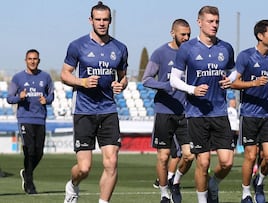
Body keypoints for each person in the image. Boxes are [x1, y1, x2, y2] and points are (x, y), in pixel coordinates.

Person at [60, 1, 128, 203]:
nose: (101, 23)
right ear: (91, 20)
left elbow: (123, 77)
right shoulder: (77, 45)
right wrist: (81, 81)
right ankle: (72, 186)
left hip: (108, 110)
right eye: (97, 19)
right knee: (84, 168)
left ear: (110, 21)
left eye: (105, 19)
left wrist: (121, 85)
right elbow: (65, 74)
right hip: (84, 110)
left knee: (112, 162)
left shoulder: (120, 48)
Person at [170, 6, 235, 203]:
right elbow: (174, 80)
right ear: (200, 22)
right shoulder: (187, 49)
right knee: (203, 162)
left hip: (219, 112)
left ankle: (213, 184)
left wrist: (229, 80)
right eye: (210, 21)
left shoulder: (226, 48)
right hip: (196, 113)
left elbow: (233, 71)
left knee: (227, 162)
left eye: (217, 21)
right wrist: (192, 89)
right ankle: (202, 200)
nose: (214, 25)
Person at [142, 18, 194, 203]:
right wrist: (166, 85)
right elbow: (146, 79)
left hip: (187, 112)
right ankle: (164, 193)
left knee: (189, 155)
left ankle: (176, 182)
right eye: (183, 34)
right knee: (164, 157)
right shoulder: (161, 53)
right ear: (173, 33)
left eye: (189, 34)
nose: (187, 38)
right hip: (164, 111)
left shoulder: (194, 53)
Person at [230, 19, 268, 203]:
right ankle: (245, 193)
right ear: (260, 36)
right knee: (251, 156)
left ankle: (259, 181)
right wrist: (253, 83)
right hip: (249, 114)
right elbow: (233, 82)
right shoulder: (245, 56)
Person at [7, 49, 55, 194]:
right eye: (30, 59)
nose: (32, 61)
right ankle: (29, 184)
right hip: (25, 118)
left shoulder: (46, 77)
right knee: (29, 149)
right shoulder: (18, 78)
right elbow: (9, 98)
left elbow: (51, 96)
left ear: (39, 61)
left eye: (35, 59)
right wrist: (19, 98)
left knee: (39, 152)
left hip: (40, 119)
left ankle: (26, 173)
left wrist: (46, 100)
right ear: (25, 60)